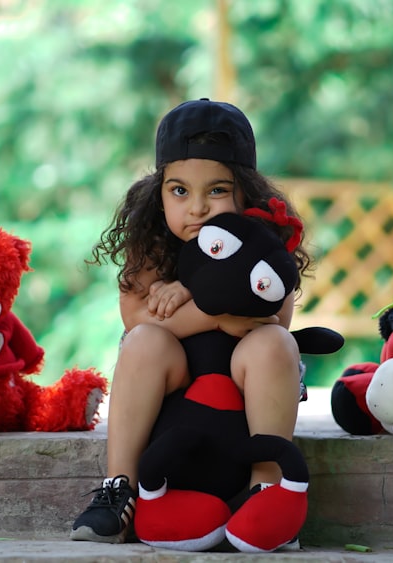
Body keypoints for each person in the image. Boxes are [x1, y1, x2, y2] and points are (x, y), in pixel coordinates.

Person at [71, 98, 313, 544]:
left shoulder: (262, 242)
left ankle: (266, 489)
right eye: (179, 191)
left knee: (275, 345)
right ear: (159, 191)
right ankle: (118, 489)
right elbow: (137, 319)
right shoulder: (152, 245)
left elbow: (274, 317)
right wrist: (218, 314)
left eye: (217, 191)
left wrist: (185, 299)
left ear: (246, 193)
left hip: (245, 399)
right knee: (143, 341)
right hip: (176, 405)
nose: (197, 208)